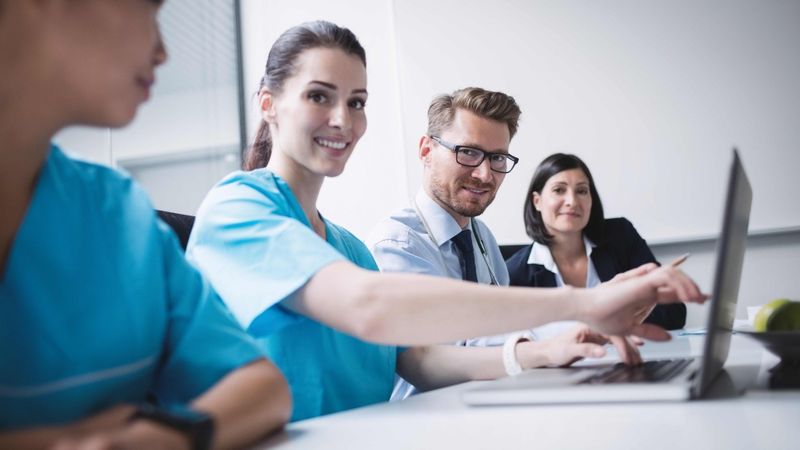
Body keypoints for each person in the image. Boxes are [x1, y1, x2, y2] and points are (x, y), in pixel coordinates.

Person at [186, 20, 705, 423]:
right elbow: (370, 309)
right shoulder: (238, 207)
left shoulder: (348, 249)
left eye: (358, 101)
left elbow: (420, 362)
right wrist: (587, 302)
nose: (344, 120)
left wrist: (546, 351)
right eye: (319, 96)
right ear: (268, 104)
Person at [0, 1, 290, 449]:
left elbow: (262, 387)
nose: (162, 52)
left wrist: (157, 437)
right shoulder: (238, 203)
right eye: (148, 10)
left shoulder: (119, 215)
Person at [367, 87, 642, 400]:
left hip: (493, 399)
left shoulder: (481, 236)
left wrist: (594, 318)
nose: (485, 174)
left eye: (497, 158)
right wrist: (580, 318)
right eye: (468, 152)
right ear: (426, 150)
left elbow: (502, 328)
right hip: (429, 417)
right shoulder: (397, 243)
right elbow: (451, 349)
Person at [506, 153, 687, 338]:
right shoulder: (515, 273)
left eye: (582, 191)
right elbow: (515, 338)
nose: (572, 201)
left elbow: (673, 311)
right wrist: (604, 318)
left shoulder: (621, 236)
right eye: (559, 190)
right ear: (537, 201)